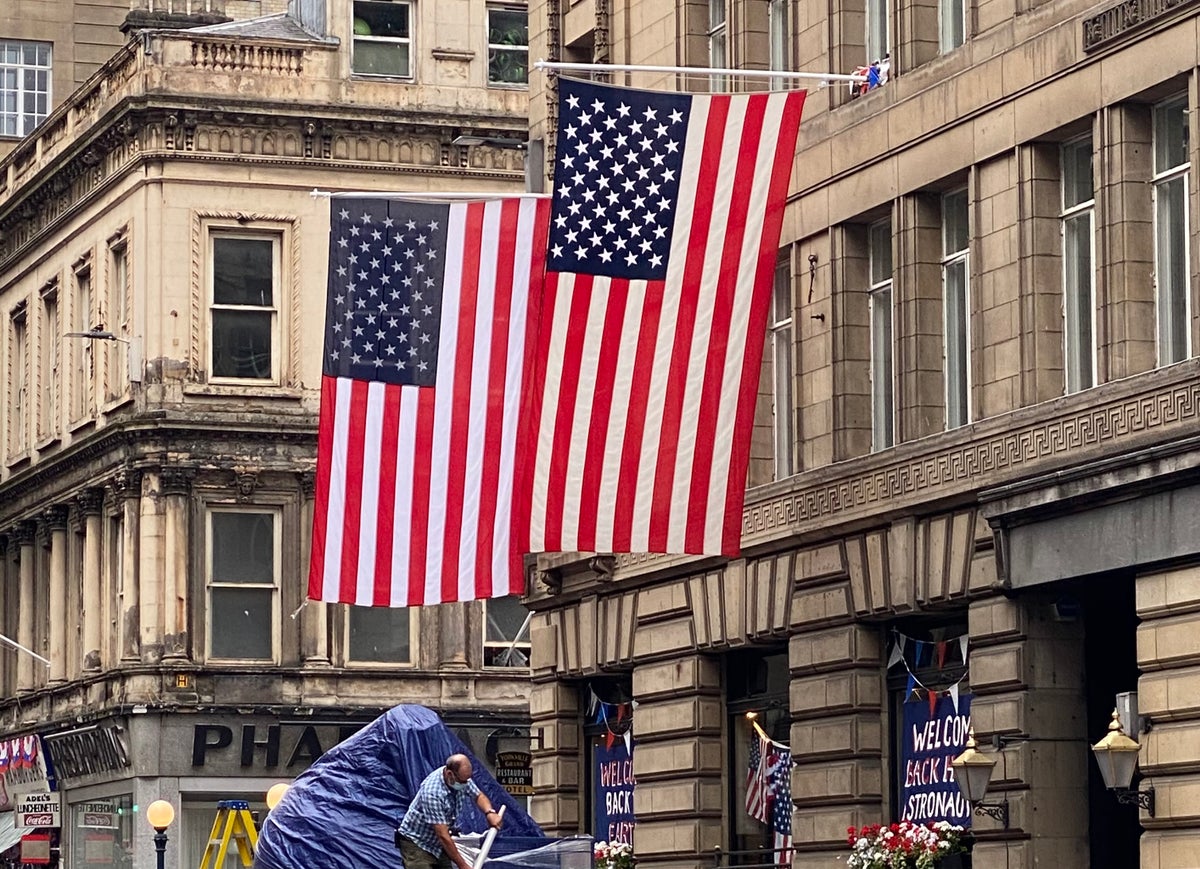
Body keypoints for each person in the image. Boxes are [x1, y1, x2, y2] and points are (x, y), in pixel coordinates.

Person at [396, 754, 503, 869]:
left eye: (467, 780)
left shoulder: (462, 778)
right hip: (417, 842)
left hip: (437, 843)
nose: (466, 784)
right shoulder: (432, 794)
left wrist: (489, 812)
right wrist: (463, 866)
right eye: (462, 781)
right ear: (449, 774)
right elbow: (443, 836)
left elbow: (478, 796)